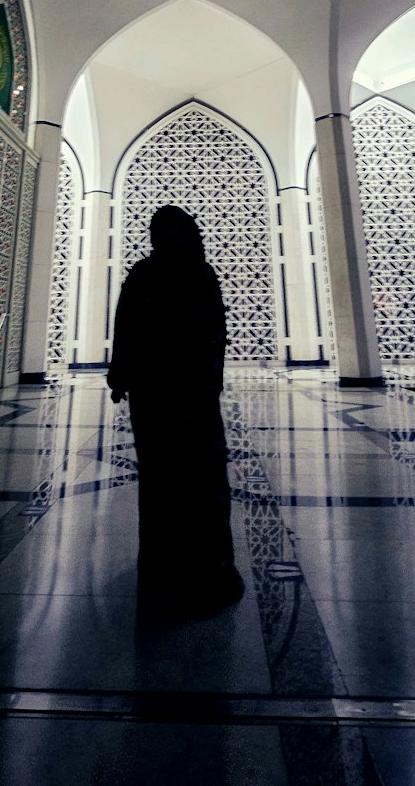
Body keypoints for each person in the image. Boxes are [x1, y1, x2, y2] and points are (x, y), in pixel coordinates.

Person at [107, 205, 244, 615]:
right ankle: (171, 566)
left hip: (186, 397)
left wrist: (207, 384)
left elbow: (214, 335)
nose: (167, 240)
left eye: (173, 232)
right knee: (166, 478)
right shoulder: (147, 276)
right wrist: (121, 376)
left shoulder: (193, 276)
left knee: (194, 480)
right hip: (161, 397)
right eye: (161, 232)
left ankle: (205, 568)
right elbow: (127, 328)